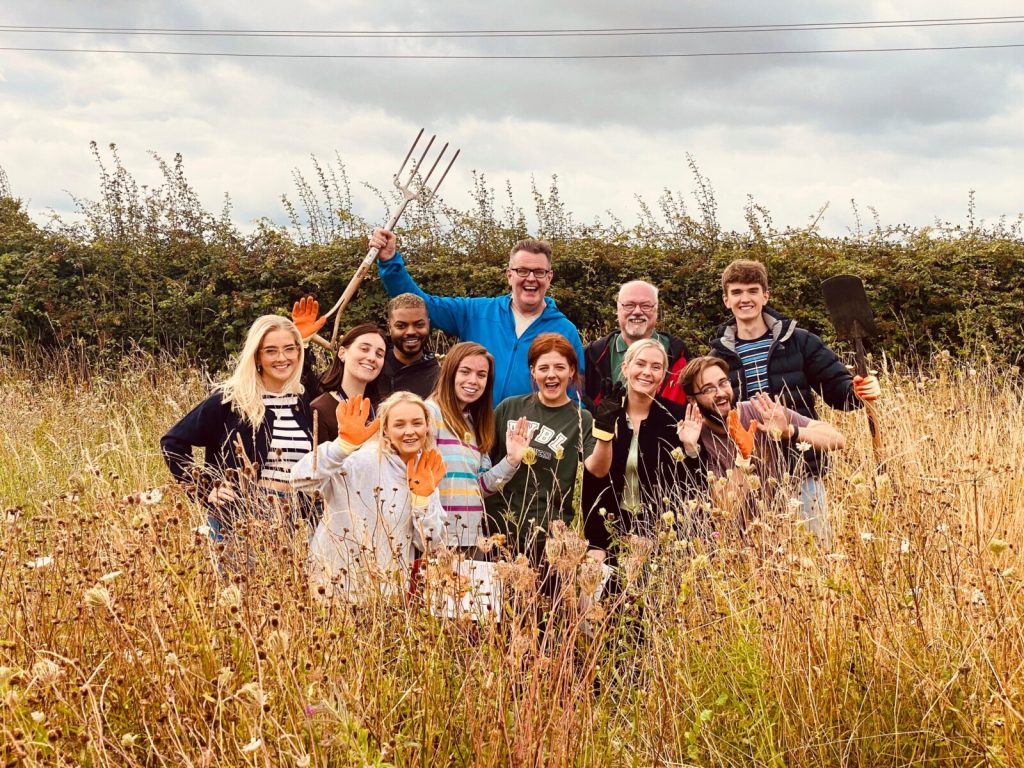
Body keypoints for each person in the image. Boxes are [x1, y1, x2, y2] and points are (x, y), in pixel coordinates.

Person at [709, 259, 879, 532]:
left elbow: (839, 391)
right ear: (726, 300)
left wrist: (859, 391)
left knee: (817, 558)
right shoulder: (717, 358)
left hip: (801, 468)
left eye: (753, 291)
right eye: (737, 292)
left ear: (766, 295)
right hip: (746, 478)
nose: (745, 299)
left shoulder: (800, 342)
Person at [372, 228, 586, 404]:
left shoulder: (565, 331)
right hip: (472, 436)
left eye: (539, 272)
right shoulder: (475, 312)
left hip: (528, 444)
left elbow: (574, 396)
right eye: (522, 271)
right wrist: (390, 262)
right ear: (509, 275)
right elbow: (423, 307)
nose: (531, 279)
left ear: (549, 277)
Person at [161, 315, 315, 537]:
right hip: (238, 517)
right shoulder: (232, 400)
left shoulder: (301, 401)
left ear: (298, 352)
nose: (282, 358)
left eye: (290, 349)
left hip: (290, 518)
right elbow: (173, 442)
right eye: (271, 350)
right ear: (257, 356)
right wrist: (204, 489)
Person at [291, 393, 448, 600]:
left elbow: (429, 543)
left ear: (427, 426)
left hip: (385, 596)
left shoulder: (426, 473)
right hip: (333, 588)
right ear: (385, 429)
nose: (410, 431)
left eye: (417, 423)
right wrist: (341, 447)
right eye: (399, 425)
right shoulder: (362, 461)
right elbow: (298, 479)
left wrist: (422, 501)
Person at [677, 356, 846, 540]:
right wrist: (744, 457)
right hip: (738, 543)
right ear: (692, 400)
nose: (720, 393)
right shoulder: (696, 436)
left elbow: (837, 439)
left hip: (785, 527)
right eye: (708, 389)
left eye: (723, 382)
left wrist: (788, 431)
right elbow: (724, 509)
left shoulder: (759, 412)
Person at [485, 333, 614, 561]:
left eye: (560, 367)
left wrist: (605, 432)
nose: (551, 374)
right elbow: (483, 458)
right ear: (533, 371)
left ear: (572, 371)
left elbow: (598, 468)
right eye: (543, 368)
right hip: (495, 533)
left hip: (547, 540)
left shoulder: (581, 418)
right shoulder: (510, 408)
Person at [582, 339, 703, 564]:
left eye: (656, 367)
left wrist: (690, 448)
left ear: (663, 376)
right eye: (640, 364)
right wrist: (596, 543)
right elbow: (593, 482)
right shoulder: (606, 413)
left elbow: (692, 488)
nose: (647, 372)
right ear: (626, 368)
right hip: (609, 533)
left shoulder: (675, 418)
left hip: (661, 536)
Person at [425, 342, 532, 553]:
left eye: (481, 375)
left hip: (472, 540)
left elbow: (480, 487)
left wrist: (511, 460)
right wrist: (432, 538)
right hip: (439, 541)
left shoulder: (473, 424)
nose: (473, 381)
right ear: (449, 372)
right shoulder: (429, 414)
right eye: (465, 371)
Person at [584, 280, 691, 406]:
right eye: (629, 305)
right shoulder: (592, 355)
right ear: (618, 309)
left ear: (656, 310)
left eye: (646, 306)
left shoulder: (681, 356)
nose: (637, 311)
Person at [309, 323, 386, 442]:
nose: (372, 358)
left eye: (379, 354)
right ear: (342, 353)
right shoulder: (320, 409)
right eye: (364, 349)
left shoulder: (382, 411)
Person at [377, 293, 440, 400]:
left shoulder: (439, 377)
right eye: (401, 326)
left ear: (428, 324)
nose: (411, 332)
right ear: (389, 327)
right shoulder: (375, 365)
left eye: (419, 325)